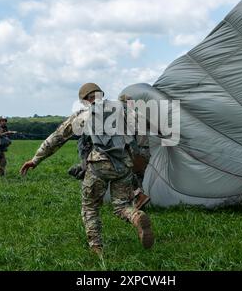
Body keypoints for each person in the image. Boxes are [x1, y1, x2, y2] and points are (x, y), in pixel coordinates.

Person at [20, 83, 154, 255]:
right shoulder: (124, 110)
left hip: (99, 165)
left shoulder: (83, 115)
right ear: (101, 94)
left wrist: (35, 159)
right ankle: (136, 217)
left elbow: (57, 137)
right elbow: (143, 127)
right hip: (124, 165)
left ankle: (96, 248)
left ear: (84, 100)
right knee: (121, 206)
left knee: (90, 206)